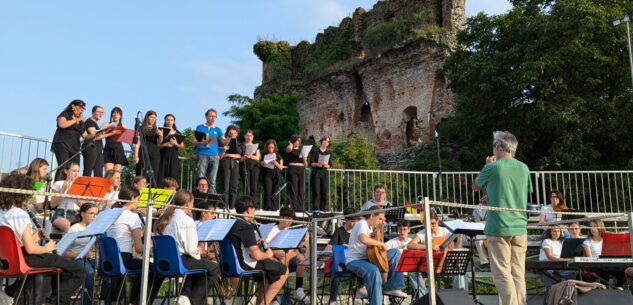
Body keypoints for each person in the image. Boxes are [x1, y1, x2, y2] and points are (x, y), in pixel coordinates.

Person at [0, 173, 85, 305]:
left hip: (10, 260)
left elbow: (15, 243)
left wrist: (34, 237)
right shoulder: (20, 214)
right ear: (20, 194)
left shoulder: (3, 212)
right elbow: (31, 249)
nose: (30, 197)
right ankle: (55, 301)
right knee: (78, 271)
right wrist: (47, 248)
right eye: (28, 193)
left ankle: (11, 291)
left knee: (60, 269)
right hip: (26, 258)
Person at [472, 131, 532, 305]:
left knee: (502, 273)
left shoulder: (493, 167)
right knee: (518, 274)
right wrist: (491, 195)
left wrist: (487, 165)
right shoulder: (524, 167)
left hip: (499, 227)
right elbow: (518, 193)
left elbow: (475, 186)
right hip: (520, 227)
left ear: (498, 147)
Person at [154, 190, 221, 305]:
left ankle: (184, 297)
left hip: (163, 262)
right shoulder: (186, 220)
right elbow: (191, 251)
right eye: (192, 203)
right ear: (187, 204)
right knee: (214, 268)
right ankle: (193, 301)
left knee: (197, 265)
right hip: (180, 261)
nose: (193, 207)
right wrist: (199, 252)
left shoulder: (162, 219)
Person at [226, 195, 288, 305]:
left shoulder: (230, 223)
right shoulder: (246, 226)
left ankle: (261, 300)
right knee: (283, 270)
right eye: (254, 210)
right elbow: (257, 256)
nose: (254, 214)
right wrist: (269, 253)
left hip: (230, 264)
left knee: (266, 273)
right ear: (249, 209)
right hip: (244, 264)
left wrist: (256, 244)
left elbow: (240, 246)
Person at [106, 186, 162, 305]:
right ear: (132, 198)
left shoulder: (110, 214)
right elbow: (139, 249)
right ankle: (137, 302)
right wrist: (150, 244)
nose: (139, 203)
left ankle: (133, 301)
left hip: (108, 260)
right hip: (123, 259)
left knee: (141, 266)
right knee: (155, 269)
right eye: (138, 199)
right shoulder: (132, 216)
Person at [345, 205, 407, 305]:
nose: (381, 221)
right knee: (374, 271)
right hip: (355, 261)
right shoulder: (362, 223)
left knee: (395, 252)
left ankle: (392, 287)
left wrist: (377, 232)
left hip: (367, 258)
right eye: (379, 218)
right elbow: (363, 239)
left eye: (383, 219)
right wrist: (381, 243)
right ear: (372, 215)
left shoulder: (370, 228)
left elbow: (372, 248)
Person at [264, 207, 310, 303]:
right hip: (275, 259)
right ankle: (273, 298)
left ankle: (299, 289)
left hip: (287, 259)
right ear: (281, 217)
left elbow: (293, 249)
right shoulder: (272, 230)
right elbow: (265, 245)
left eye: (291, 219)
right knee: (276, 265)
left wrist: (302, 240)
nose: (289, 221)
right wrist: (274, 251)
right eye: (287, 218)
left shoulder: (290, 231)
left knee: (301, 258)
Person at [407, 210, 452, 296]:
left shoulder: (445, 232)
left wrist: (459, 237)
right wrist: (428, 247)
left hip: (444, 264)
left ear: (438, 221)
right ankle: (424, 296)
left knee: (458, 268)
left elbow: (453, 248)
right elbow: (410, 245)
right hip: (428, 265)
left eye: (433, 223)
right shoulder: (423, 233)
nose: (431, 226)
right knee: (411, 270)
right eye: (428, 224)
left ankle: (458, 298)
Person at [63, 203, 99, 305]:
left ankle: (105, 301)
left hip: (92, 258)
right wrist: (82, 254)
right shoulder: (75, 229)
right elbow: (63, 252)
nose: (94, 216)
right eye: (91, 213)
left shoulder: (97, 228)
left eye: (96, 214)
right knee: (90, 274)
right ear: (82, 214)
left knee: (109, 271)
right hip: (77, 259)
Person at [324, 207, 359, 305]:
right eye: (352, 221)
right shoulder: (339, 231)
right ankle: (333, 300)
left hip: (353, 261)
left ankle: (363, 289)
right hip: (339, 262)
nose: (355, 223)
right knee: (337, 270)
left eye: (356, 221)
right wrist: (340, 248)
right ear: (346, 219)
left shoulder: (357, 232)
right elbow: (328, 248)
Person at [52, 99, 86, 181]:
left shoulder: (80, 121)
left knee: (75, 168)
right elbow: (62, 124)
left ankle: (69, 189)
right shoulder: (65, 114)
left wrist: (98, 133)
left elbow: (85, 135)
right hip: (62, 144)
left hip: (75, 147)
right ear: (73, 106)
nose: (81, 110)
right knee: (63, 167)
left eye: (83, 108)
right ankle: (57, 187)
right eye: (80, 107)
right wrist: (76, 120)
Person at [539, 225, 576, 299]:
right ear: (550, 232)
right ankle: (549, 291)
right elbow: (549, 256)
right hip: (547, 265)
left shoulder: (560, 242)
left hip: (559, 265)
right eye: (554, 231)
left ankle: (568, 292)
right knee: (548, 271)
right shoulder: (547, 241)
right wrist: (561, 259)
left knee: (574, 271)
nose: (557, 233)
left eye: (558, 231)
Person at [82, 105, 118, 177]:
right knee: (88, 171)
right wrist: (110, 132)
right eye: (98, 112)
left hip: (98, 150)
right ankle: (82, 187)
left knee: (99, 173)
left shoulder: (95, 123)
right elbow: (94, 135)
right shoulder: (89, 122)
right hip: (91, 148)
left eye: (102, 113)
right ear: (93, 112)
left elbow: (98, 134)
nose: (100, 114)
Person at [193, 108, 223, 195]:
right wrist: (202, 142)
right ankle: (199, 199)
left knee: (212, 180)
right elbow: (194, 142)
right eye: (211, 116)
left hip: (214, 156)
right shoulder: (200, 127)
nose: (213, 118)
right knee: (200, 178)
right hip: (202, 154)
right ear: (206, 116)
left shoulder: (218, 129)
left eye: (215, 116)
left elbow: (223, 142)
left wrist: (229, 137)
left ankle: (210, 201)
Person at [133, 110, 163, 187]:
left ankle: (152, 191)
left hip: (154, 152)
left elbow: (159, 143)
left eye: (155, 118)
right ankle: (140, 190)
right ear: (147, 117)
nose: (153, 119)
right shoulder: (140, 128)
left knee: (154, 172)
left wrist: (161, 135)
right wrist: (136, 155)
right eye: (151, 117)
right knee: (142, 172)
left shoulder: (157, 129)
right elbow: (137, 141)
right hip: (143, 151)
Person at [50, 161, 81, 233]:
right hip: (62, 212)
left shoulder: (80, 185)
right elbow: (52, 204)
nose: (77, 174)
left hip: (77, 214)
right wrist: (63, 189)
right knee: (69, 228)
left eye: (78, 171)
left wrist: (77, 194)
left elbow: (82, 205)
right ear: (66, 171)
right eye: (73, 171)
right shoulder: (59, 183)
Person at [158, 114, 184, 186]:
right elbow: (156, 146)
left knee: (173, 175)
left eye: (171, 120)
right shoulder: (160, 130)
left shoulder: (178, 132)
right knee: (161, 175)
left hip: (173, 156)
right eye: (168, 120)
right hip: (162, 156)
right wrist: (165, 144)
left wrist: (175, 143)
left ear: (174, 121)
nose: (169, 121)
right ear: (165, 121)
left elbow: (182, 147)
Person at [221, 125, 242, 209]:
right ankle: (224, 205)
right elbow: (221, 154)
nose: (233, 133)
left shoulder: (238, 143)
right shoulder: (223, 141)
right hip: (226, 163)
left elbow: (239, 155)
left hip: (235, 164)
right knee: (225, 186)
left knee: (233, 186)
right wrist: (229, 138)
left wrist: (229, 154)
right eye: (231, 132)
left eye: (235, 132)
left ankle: (232, 207)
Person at [285, 135, 307, 212]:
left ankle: (301, 207)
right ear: (293, 141)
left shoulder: (302, 151)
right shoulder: (290, 148)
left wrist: (304, 159)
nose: (298, 142)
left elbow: (306, 164)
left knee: (301, 189)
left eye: (299, 141)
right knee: (293, 188)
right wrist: (291, 143)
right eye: (297, 140)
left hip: (301, 169)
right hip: (293, 168)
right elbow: (289, 149)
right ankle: (293, 207)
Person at [310, 136, 332, 212]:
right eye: (325, 141)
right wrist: (317, 164)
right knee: (316, 191)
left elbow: (330, 164)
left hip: (324, 173)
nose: (326, 142)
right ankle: (316, 209)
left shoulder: (329, 153)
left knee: (325, 192)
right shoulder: (315, 151)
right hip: (316, 172)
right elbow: (311, 163)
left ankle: (323, 209)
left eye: (328, 141)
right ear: (321, 141)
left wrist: (327, 165)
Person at [103, 107, 129, 172]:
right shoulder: (107, 124)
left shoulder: (123, 126)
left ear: (120, 116)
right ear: (111, 115)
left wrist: (134, 151)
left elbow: (129, 139)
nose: (115, 115)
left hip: (119, 150)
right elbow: (98, 133)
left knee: (117, 174)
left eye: (118, 113)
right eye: (114, 113)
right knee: (109, 173)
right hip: (108, 149)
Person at [260, 139, 284, 211]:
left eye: (272, 147)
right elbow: (260, 163)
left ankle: (274, 208)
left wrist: (275, 162)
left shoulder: (278, 156)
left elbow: (281, 168)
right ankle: (267, 207)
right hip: (267, 174)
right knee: (268, 191)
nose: (270, 149)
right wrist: (263, 162)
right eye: (269, 147)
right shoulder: (264, 155)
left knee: (275, 192)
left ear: (275, 148)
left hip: (276, 175)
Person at [241, 130, 260, 200]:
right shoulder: (241, 146)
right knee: (246, 185)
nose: (249, 137)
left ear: (253, 137)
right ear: (245, 136)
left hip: (254, 167)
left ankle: (253, 203)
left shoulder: (256, 146)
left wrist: (251, 156)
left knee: (253, 186)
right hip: (245, 167)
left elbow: (258, 158)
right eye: (247, 135)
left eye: (250, 136)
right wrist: (245, 157)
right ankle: (246, 203)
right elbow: (239, 159)